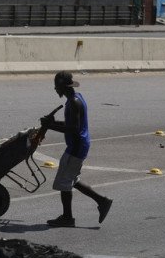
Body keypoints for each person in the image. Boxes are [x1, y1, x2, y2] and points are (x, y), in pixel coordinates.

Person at [41, 71, 113, 227]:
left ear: (62, 87)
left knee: (65, 181)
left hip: (77, 146)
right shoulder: (75, 98)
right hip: (79, 144)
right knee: (71, 179)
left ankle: (68, 217)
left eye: (56, 86)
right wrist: (53, 123)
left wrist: (50, 125)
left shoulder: (74, 102)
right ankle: (102, 201)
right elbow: (71, 124)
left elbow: (73, 128)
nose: (55, 89)